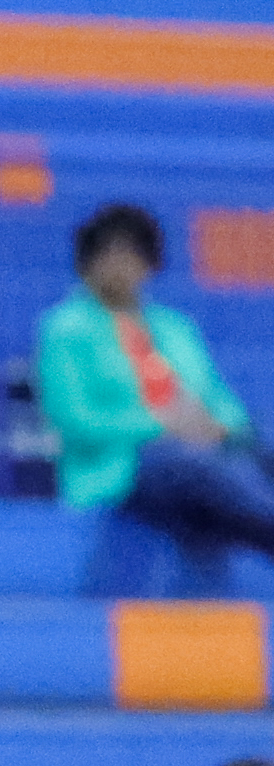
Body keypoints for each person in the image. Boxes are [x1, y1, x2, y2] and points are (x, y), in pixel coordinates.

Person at [35, 202, 274, 562]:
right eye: (110, 254)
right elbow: (75, 421)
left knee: (259, 441)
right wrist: (161, 425)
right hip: (123, 466)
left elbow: (218, 399)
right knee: (192, 464)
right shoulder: (65, 330)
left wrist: (219, 428)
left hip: (202, 450)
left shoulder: (176, 328)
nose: (121, 267)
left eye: (132, 255)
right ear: (88, 263)